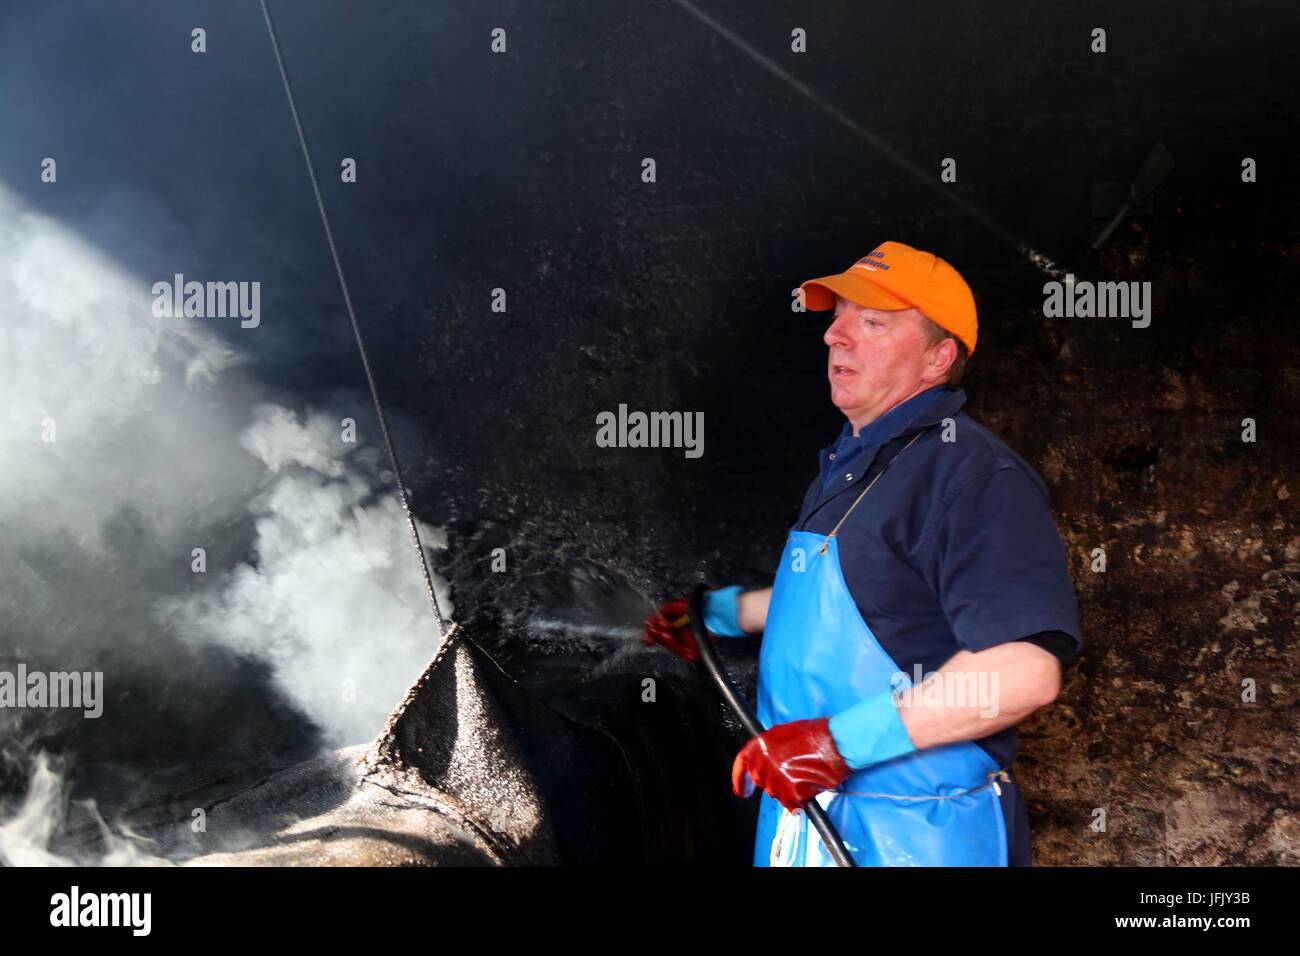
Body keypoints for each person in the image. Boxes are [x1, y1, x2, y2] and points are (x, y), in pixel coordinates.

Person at [643, 241, 1083, 866]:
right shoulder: (853, 464)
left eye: (872, 322)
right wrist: (718, 615)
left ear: (939, 358)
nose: (835, 337)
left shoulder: (973, 476)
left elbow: (1022, 672)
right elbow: (857, 598)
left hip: (919, 835)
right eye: (838, 316)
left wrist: (835, 746)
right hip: (812, 820)